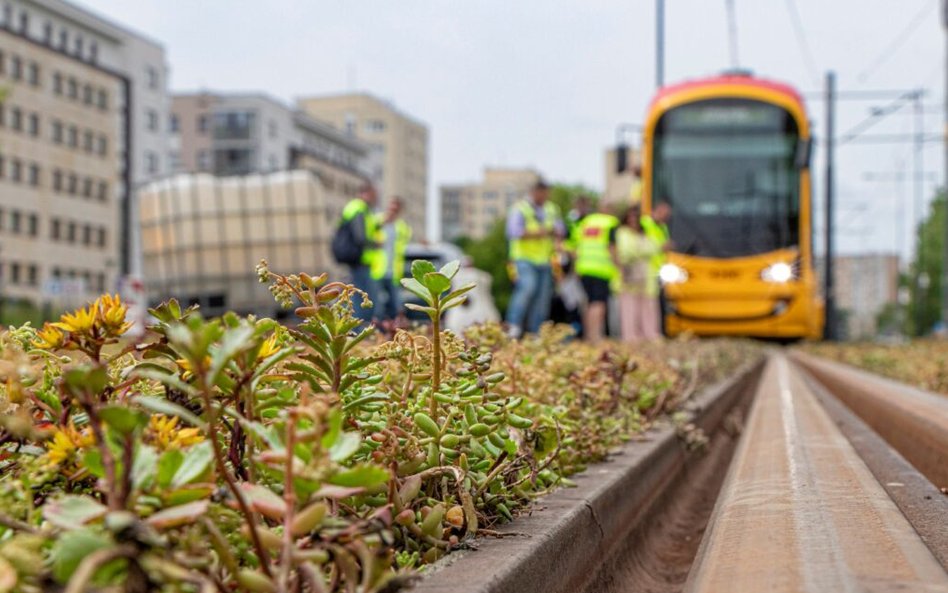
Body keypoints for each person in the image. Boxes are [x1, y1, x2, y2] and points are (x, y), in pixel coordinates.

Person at [505, 179, 564, 338]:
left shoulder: (552, 209)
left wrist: (558, 240)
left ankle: (536, 332)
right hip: (523, 259)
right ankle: (513, 326)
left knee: (542, 298)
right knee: (527, 288)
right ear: (533, 192)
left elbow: (560, 230)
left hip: (545, 260)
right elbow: (514, 232)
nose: (544, 196)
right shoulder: (520, 209)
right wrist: (542, 232)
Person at [574, 200, 620, 343]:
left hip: (584, 267)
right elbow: (612, 247)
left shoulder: (587, 221)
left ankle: (588, 335)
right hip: (601, 268)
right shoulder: (611, 222)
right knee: (598, 303)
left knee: (588, 303)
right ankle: (596, 336)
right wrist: (619, 265)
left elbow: (576, 244)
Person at [615, 205, 662, 341]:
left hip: (645, 277)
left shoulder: (643, 233)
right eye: (630, 217)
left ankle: (649, 334)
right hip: (629, 275)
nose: (633, 220)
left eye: (636, 217)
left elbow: (655, 247)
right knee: (629, 307)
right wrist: (643, 250)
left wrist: (641, 250)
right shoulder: (623, 233)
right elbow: (626, 252)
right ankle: (630, 336)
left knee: (647, 306)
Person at [340, 184, 382, 322]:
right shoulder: (358, 208)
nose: (375, 199)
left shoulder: (363, 210)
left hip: (361, 261)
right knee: (360, 296)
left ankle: (358, 326)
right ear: (367, 193)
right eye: (374, 195)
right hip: (359, 261)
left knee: (360, 295)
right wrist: (374, 244)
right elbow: (360, 237)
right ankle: (358, 327)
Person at [371, 197, 412, 321]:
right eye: (391, 207)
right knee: (376, 305)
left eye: (396, 208)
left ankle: (396, 330)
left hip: (394, 272)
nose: (392, 210)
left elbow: (405, 244)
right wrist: (381, 224)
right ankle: (376, 331)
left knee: (397, 305)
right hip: (376, 271)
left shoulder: (402, 227)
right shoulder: (377, 220)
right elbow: (366, 235)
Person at [641, 202, 672, 335]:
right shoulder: (645, 223)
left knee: (660, 302)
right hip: (646, 270)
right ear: (658, 210)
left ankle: (659, 330)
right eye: (665, 213)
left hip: (659, 270)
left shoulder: (663, 227)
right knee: (648, 303)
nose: (666, 217)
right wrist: (660, 247)